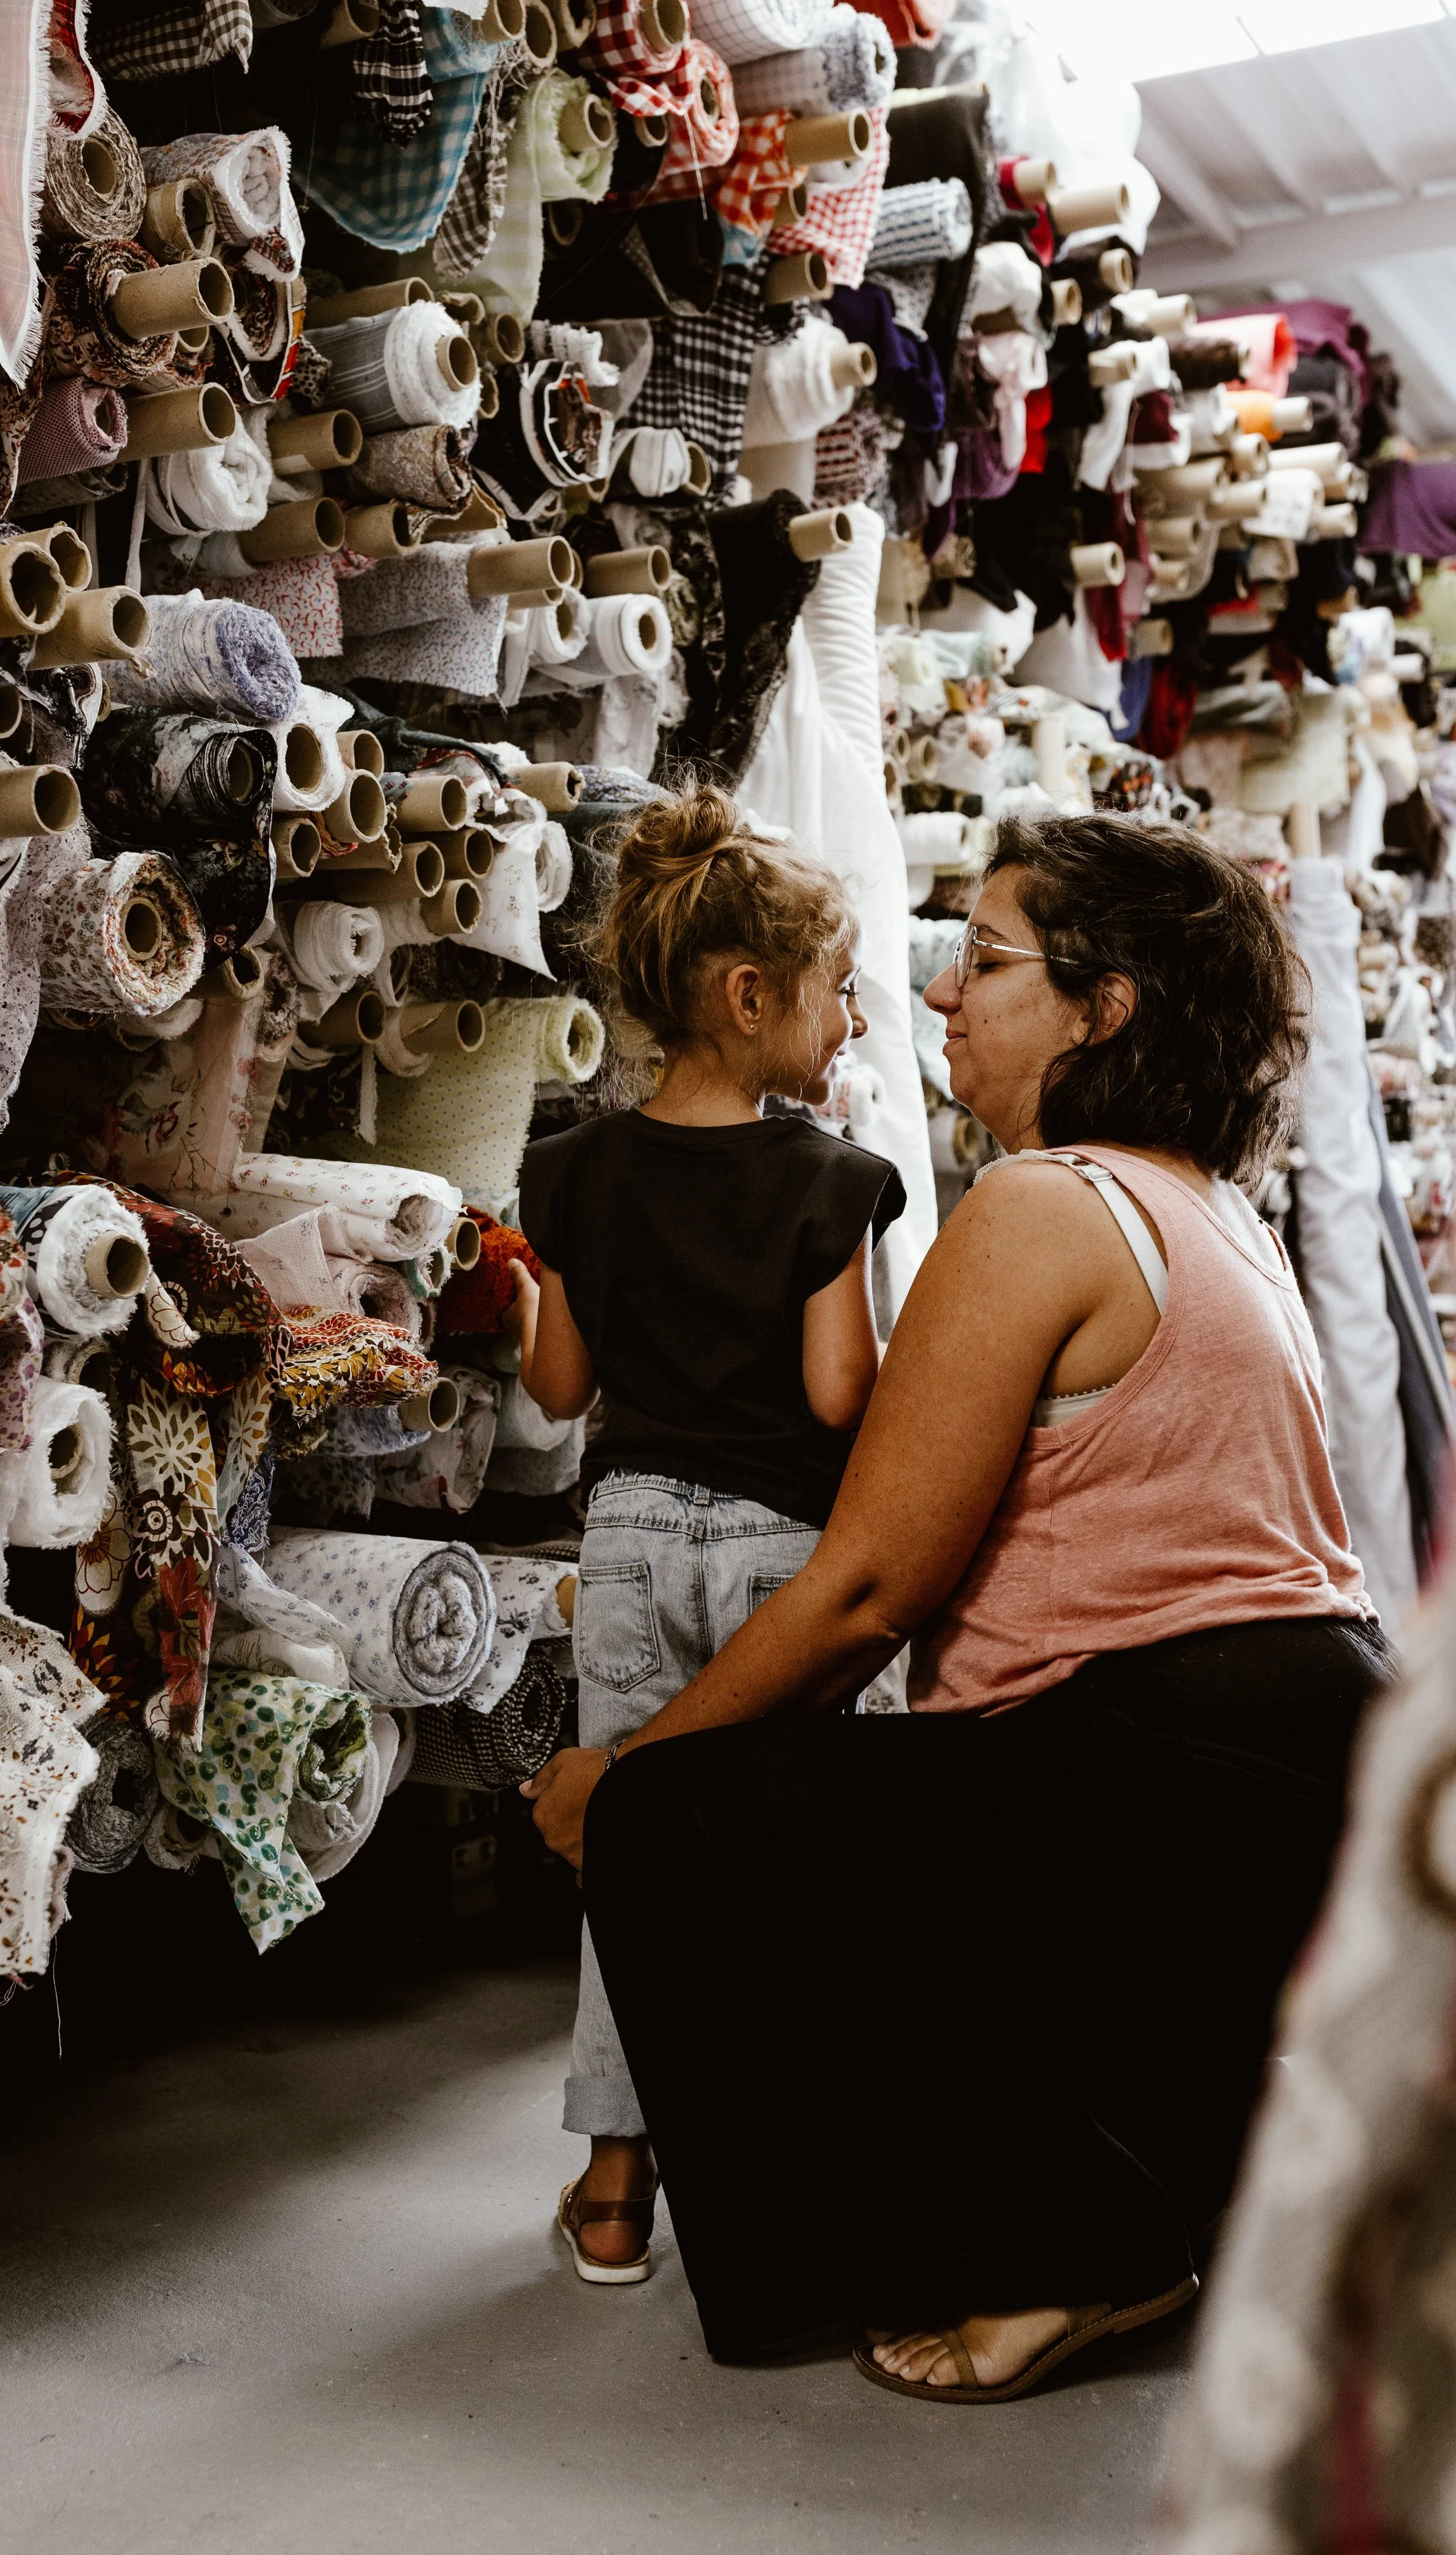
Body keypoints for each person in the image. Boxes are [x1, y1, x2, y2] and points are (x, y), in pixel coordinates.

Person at [524, 814, 1393, 2399]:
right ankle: (1162, 2190)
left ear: (1100, 1009)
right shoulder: (1204, 1206)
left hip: (1178, 1763)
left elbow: (867, 1588)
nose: (938, 995)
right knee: (875, 1789)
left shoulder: (1042, 1204)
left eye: (983, 963)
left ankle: (1059, 2241)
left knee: (673, 1822)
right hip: (1298, 1772)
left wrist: (626, 1774)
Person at [506, 782, 906, 2286]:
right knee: (794, 1854)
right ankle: (799, 2171)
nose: (851, 1022)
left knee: (633, 1853)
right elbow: (839, 1394)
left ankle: (616, 2188)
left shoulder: (568, 1172)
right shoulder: (830, 1182)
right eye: (837, 990)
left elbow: (558, 1393)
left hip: (620, 1546)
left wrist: (537, 1286)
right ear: (749, 996)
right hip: (777, 1558)